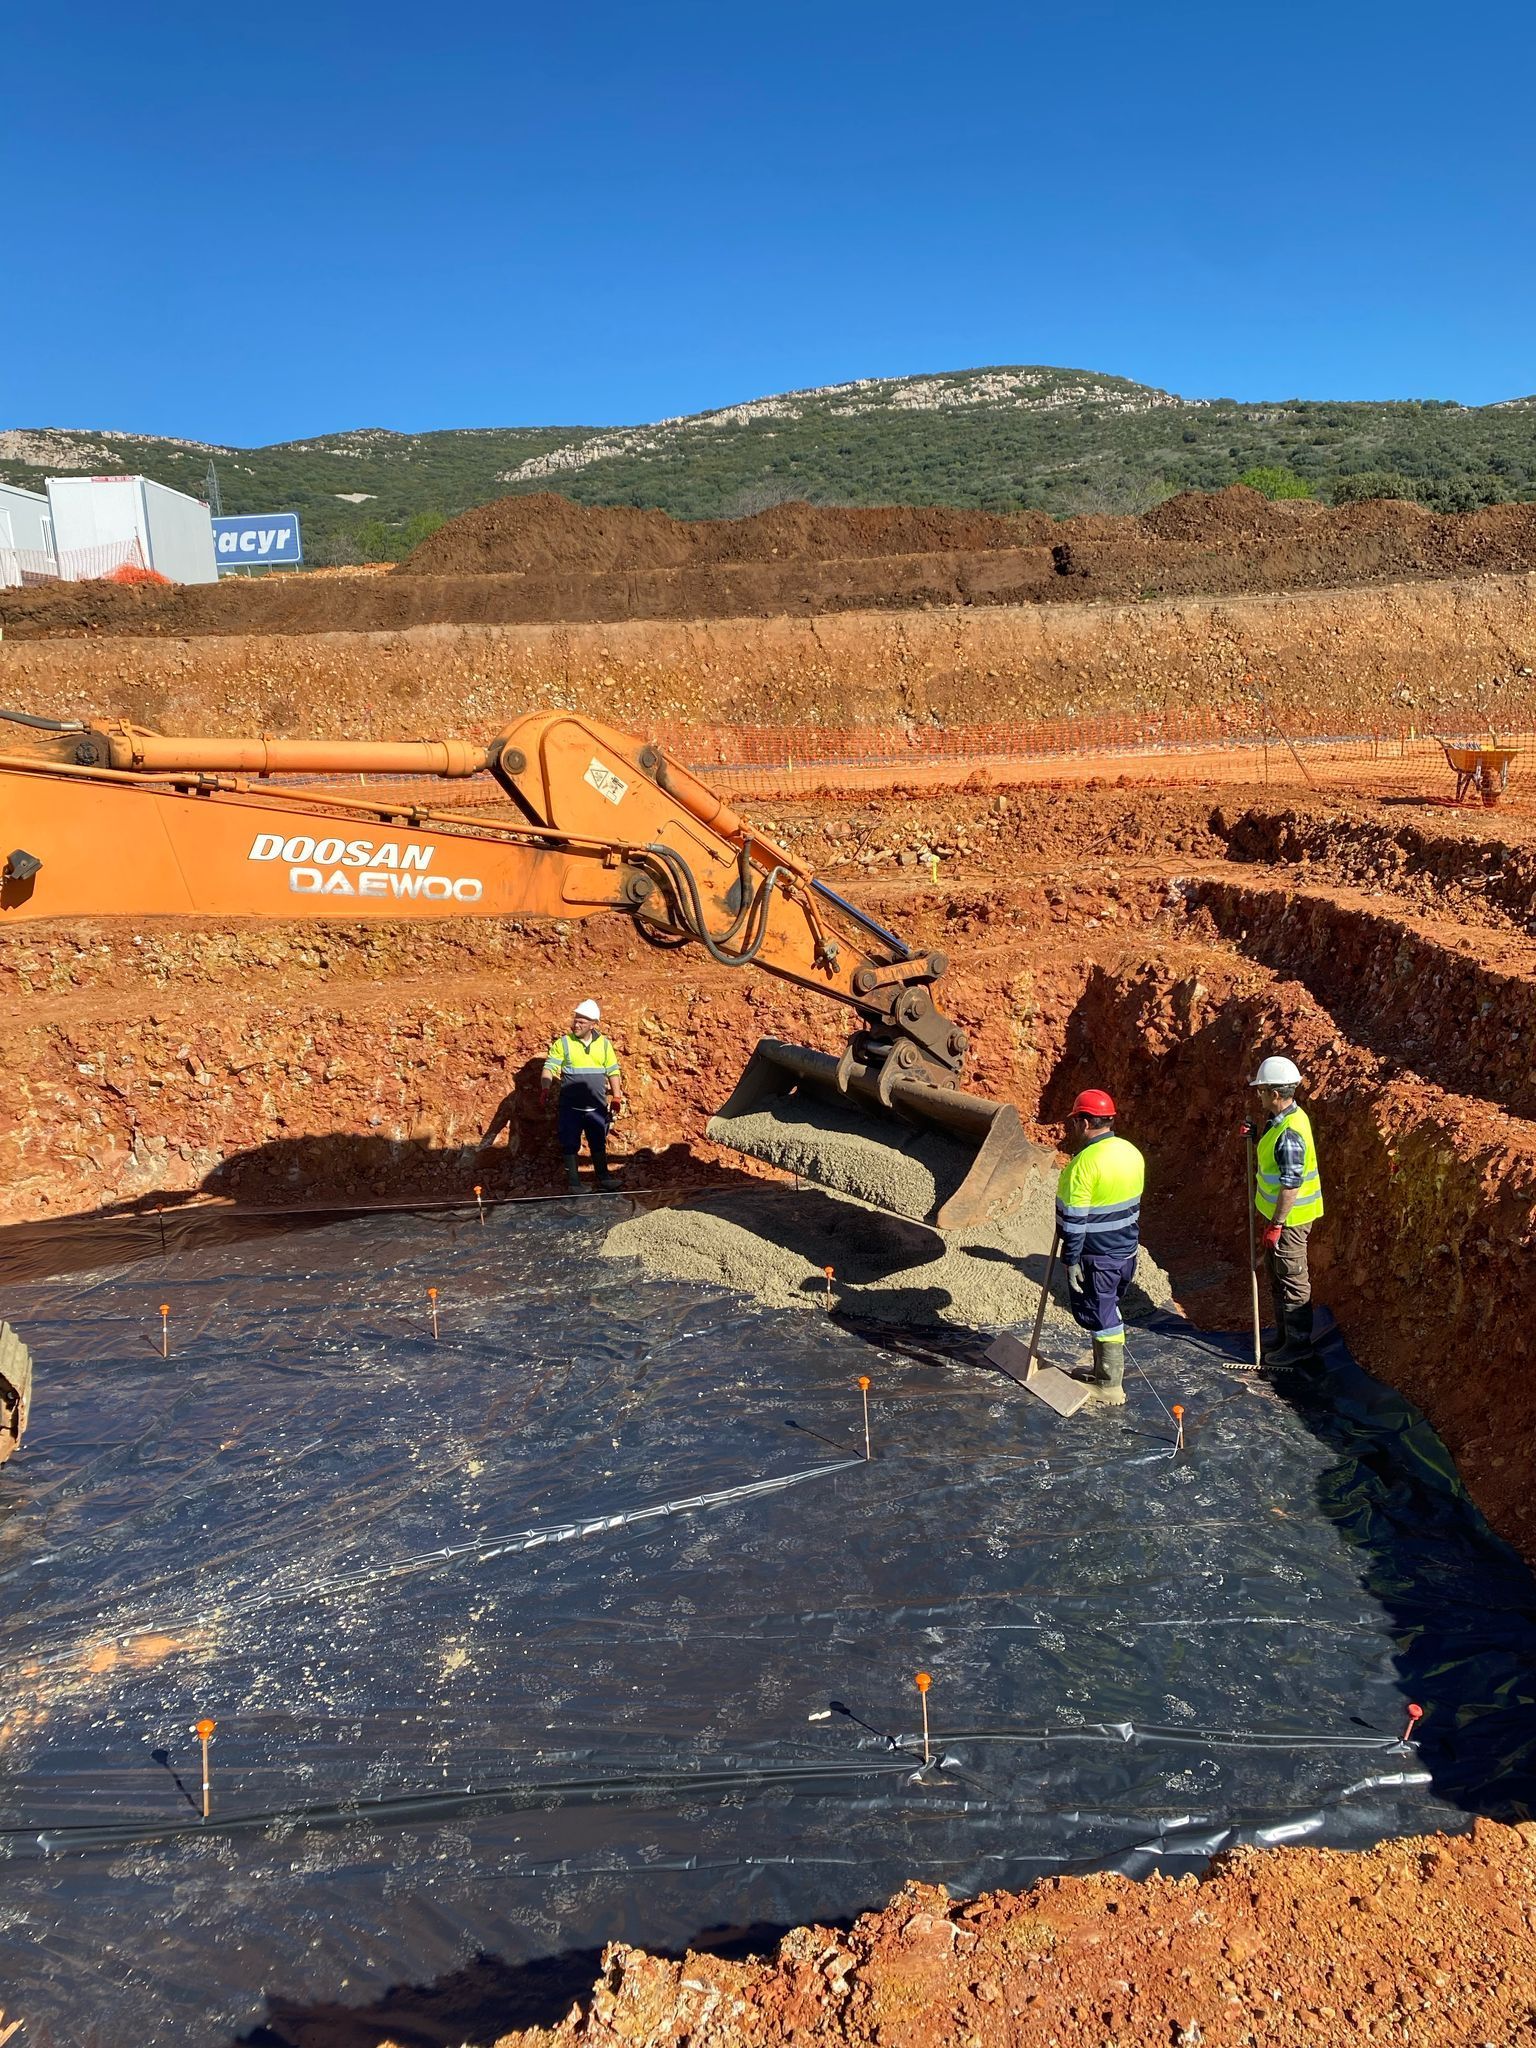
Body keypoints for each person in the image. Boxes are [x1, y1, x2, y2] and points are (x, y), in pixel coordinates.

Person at [1054, 1088, 1146, 1407]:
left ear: (1085, 1121)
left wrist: (1071, 1258)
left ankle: (1109, 1385)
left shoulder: (1083, 1164)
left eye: (1076, 1120)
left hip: (1097, 1254)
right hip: (1125, 1251)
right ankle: (1099, 1370)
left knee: (1103, 1313)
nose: (1074, 1126)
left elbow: (1075, 1221)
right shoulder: (1131, 1152)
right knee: (1107, 1305)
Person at [1248, 1055, 1324, 1366]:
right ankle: (1283, 1336)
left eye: (1262, 1090)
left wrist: (1277, 1224)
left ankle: (1298, 1346)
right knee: (1277, 1275)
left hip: (1290, 1220)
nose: (1260, 1095)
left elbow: (1291, 1185)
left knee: (1292, 1279)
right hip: (1279, 1218)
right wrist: (1255, 1136)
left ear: (1275, 1094)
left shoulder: (1290, 1132)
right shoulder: (1283, 1120)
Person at [544, 999, 625, 1193]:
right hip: (570, 1108)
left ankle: (603, 1178)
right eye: (575, 1020)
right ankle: (574, 1183)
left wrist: (616, 1096)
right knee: (570, 1142)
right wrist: (545, 1087)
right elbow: (549, 1068)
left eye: (581, 1022)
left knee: (598, 1141)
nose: (576, 1024)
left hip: (596, 1106)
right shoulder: (563, 1044)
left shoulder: (604, 1045)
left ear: (593, 1024)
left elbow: (613, 1071)